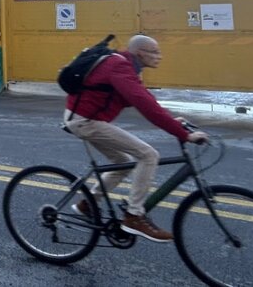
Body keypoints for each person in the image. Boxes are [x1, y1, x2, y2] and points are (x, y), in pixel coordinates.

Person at [63, 34, 208, 243]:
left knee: (123, 163)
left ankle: (87, 204)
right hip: (85, 121)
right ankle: (134, 216)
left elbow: (144, 99)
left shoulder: (126, 68)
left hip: (85, 118)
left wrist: (172, 120)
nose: (160, 56)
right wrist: (184, 135)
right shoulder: (119, 66)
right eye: (155, 51)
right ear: (140, 52)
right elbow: (145, 106)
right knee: (148, 155)